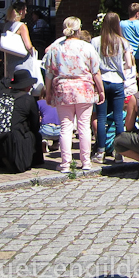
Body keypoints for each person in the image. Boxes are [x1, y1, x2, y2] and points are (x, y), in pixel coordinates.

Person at [44, 22, 104, 173]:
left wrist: (48, 91)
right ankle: (86, 162)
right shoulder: (87, 47)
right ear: (79, 29)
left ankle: (65, 163)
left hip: (63, 90)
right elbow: (95, 71)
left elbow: (49, 73)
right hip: (84, 89)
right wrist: (101, 90)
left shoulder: (56, 48)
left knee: (66, 127)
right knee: (84, 126)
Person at [91, 12, 134, 163]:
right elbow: (129, 63)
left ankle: (100, 151)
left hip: (102, 79)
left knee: (101, 117)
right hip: (117, 80)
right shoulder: (122, 41)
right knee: (118, 117)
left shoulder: (96, 41)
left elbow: (93, 63)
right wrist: (121, 68)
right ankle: (119, 152)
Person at [0, 69, 43, 172]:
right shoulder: (28, 99)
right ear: (27, 86)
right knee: (34, 135)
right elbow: (35, 124)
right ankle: (32, 161)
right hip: (13, 138)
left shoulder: (2, 94)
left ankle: (1, 159)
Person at [1, 1, 33, 80]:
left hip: (10, 62)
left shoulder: (6, 26)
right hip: (22, 62)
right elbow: (28, 46)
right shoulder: (22, 26)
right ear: (21, 11)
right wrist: (34, 52)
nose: (26, 12)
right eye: (25, 10)